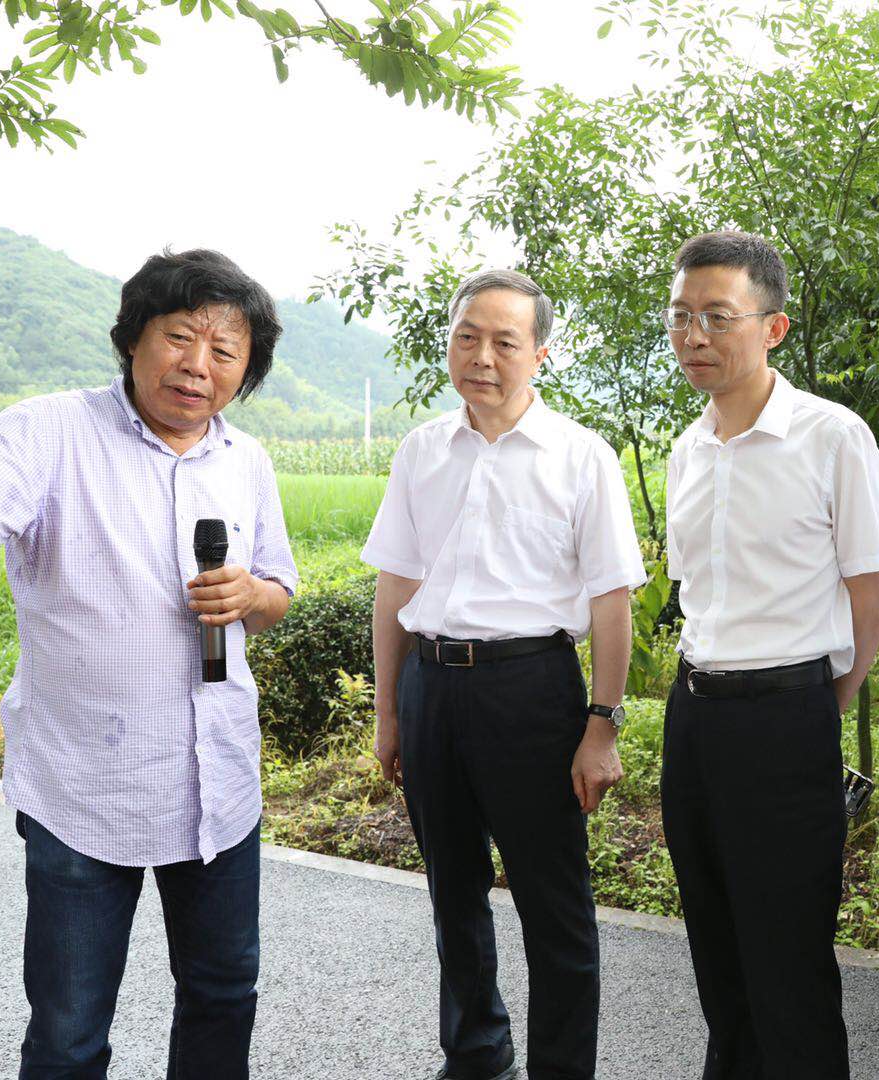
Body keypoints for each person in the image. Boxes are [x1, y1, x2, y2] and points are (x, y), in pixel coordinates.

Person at [0, 249, 297, 1079]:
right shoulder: (49, 433)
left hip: (219, 787)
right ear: (132, 337)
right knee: (71, 1030)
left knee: (224, 994)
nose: (199, 365)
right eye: (179, 337)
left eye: (225, 350)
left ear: (246, 369)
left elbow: (278, 590)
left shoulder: (246, 461)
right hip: (83, 790)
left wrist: (252, 594)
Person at [363, 269, 645, 1080]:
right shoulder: (422, 450)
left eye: (504, 342)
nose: (481, 356)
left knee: (554, 906)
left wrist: (602, 725)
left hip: (533, 692)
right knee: (452, 893)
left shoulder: (579, 456)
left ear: (540, 354)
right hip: (431, 687)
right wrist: (389, 712)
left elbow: (612, 601)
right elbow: (395, 587)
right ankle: (477, 1055)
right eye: (467, 337)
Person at [660, 229, 879, 1079]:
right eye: (681, 316)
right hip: (694, 718)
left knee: (788, 961)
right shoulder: (688, 448)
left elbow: (872, 597)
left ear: (774, 328)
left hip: (788, 717)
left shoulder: (832, 436)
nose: (694, 335)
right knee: (716, 950)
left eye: (717, 316)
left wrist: (818, 704)